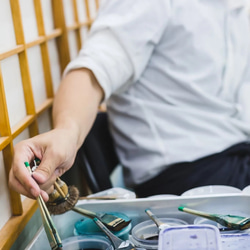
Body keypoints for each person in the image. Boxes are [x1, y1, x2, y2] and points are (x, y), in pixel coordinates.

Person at [9, 0, 250, 200]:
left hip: (239, 153)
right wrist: (66, 132)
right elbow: (92, 70)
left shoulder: (237, 9)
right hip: (186, 173)